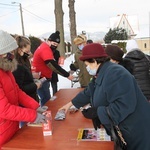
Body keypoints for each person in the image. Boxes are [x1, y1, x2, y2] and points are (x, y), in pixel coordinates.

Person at [59, 43, 150, 150]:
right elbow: (89, 91)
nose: (87, 68)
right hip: (125, 127)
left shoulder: (116, 73)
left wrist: (98, 112)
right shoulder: (102, 72)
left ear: (95, 60)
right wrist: (71, 104)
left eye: (88, 64)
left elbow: (124, 105)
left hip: (135, 129)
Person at [0, 30, 47, 147]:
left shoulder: (6, 70)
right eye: (9, 52)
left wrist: (35, 107)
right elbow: (4, 110)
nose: (12, 55)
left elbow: (17, 92)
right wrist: (33, 116)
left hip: (11, 127)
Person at [32, 31, 74, 106]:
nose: (55, 46)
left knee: (45, 98)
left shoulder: (45, 47)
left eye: (56, 45)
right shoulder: (45, 49)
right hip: (41, 78)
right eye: (54, 44)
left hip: (44, 77)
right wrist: (67, 75)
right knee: (46, 99)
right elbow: (52, 65)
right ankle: (46, 115)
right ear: (49, 41)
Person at [13, 35, 41, 102]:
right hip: (26, 100)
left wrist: (32, 77)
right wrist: (35, 86)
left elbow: (25, 77)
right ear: (19, 50)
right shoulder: (17, 66)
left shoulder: (24, 60)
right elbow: (19, 88)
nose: (29, 53)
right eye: (27, 51)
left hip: (31, 97)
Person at [48, 31, 61, 95]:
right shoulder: (45, 51)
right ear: (49, 41)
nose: (54, 45)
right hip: (45, 74)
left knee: (55, 90)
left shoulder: (57, 52)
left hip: (54, 73)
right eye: (53, 43)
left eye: (56, 44)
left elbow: (57, 63)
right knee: (46, 92)